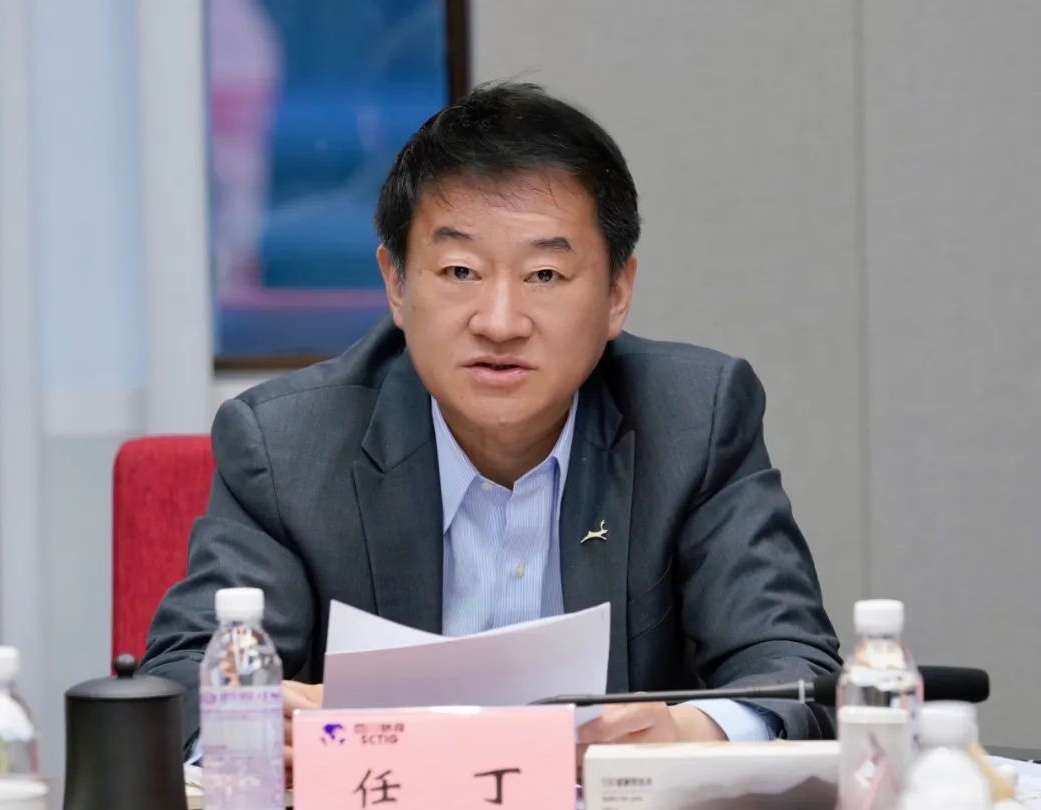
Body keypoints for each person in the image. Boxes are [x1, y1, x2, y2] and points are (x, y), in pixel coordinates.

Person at [140, 82, 840, 773]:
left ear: (617, 293)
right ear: (396, 285)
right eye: (459, 270)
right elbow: (180, 679)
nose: (500, 323)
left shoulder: (692, 419)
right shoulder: (288, 446)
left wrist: (689, 732)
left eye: (544, 275)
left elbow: (793, 668)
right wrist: (254, 725)